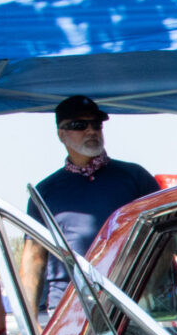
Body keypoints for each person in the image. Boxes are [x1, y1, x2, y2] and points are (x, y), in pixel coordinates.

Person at [19, 96, 160, 320]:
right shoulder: (45, 191)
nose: (91, 131)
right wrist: (27, 321)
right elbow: (34, 259)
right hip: (67, 311)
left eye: (96, 125)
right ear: (61, 134)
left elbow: (165, 242)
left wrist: (146, 293)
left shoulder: (136, 178)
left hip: (127, 304)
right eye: (80, 125)